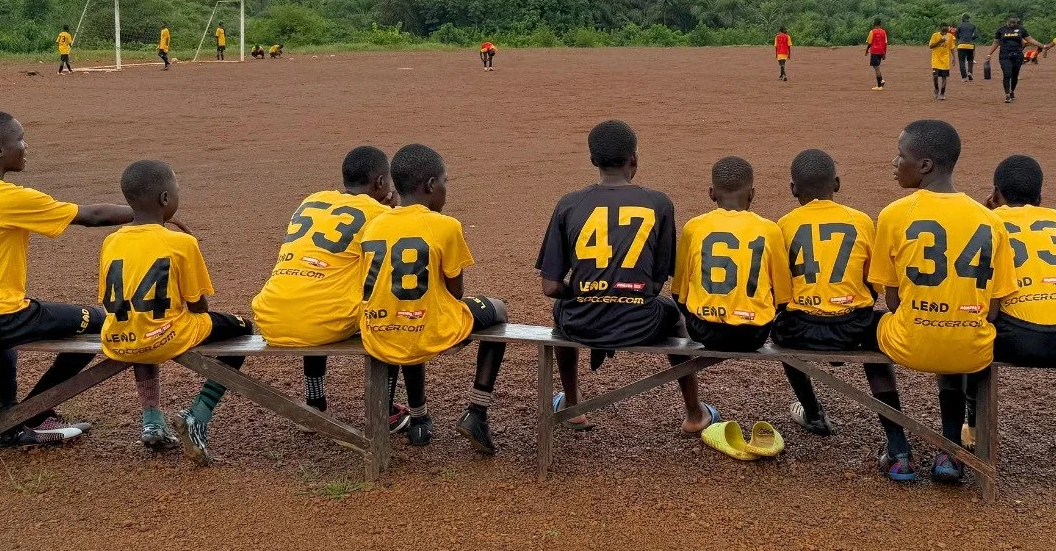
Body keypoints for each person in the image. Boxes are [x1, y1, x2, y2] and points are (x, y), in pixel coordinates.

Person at [0, 111, 133, 447]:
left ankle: (11, 420)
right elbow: (91, 216)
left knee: (6, 315)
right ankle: (32, 413)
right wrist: (151, 213)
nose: (25, 146)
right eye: (19, 139)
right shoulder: (7, 196)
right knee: (99, 321)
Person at [536, 120, 715, 434]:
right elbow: (658, 281)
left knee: (560, 314)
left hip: (583, 323)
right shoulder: (658, 203)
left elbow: (551, 287)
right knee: (673, 316)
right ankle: (693, 412)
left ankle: (573, 404)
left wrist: (588, 292)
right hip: (641, 322)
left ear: (593, 160)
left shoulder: (569, 204)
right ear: (634, 158)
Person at [870, 120, 1017, 483]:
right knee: (957, 329)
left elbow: (892, 302)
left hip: (910, 343)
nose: (894, 162)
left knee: (866, 331)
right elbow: (995, 307)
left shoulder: (893, 214)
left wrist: (926, 312)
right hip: (971, 348)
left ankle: (898, 449)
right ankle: (949, 452)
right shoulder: (990, 220)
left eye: (901, 155)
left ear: (925, 166)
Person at [98, 160, 253, 464]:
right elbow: (198, 307)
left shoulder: (111, 240)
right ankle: (199, 414)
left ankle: (152, 418)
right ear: (165, 200)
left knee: (138, 320)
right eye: (177, 190)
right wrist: (190, 243)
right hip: (165, 337)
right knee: (243, 328)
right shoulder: (181, 242)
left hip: (118, 338)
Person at [773, 149, 914, 478]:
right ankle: (898, 447)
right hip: (852, 325)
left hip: (801, 328)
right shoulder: (861, 220)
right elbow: (872, 283)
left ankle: (813, 413)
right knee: (878, 340)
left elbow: (781, 290)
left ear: (793, 189)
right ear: (836, 183)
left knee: (779, 329)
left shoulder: (783, 225)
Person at [359, 144, 509, 454]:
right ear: (430, 185)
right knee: (498, 309)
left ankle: (419, 419)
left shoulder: (373, 224)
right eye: (445, 182)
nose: (445, 190)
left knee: (411, 314)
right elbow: (456, 293)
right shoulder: (446, 225)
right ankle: (477, 413)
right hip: (426, 329)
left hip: (379, 331)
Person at [251, 146, 407, 431]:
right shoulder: (380, 214)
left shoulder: (312, 200)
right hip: (321, 322)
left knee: (317, 287)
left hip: (270, 317)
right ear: (381, 183)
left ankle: (314, 402)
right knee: (387, 311)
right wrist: (391, 211)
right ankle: (384, 410)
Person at [965, 155, 1056, 469]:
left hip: (1019, 338)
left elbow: (982, 292)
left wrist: (988, 212)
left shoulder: (985, 221)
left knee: (972, 330)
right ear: (1040, 197)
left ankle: (973, 429)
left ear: (995, 193)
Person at [672, 156, 790, 355]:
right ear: (752, 194)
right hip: (753, 334)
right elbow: (782, 298)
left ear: (711, 194)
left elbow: (678, 294)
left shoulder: (693, 228)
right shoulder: (770, 230)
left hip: (703, 330)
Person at [984, 16, 1047, 103]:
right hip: (1004, 55)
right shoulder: (1001, 30)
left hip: (1017, 55)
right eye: (1010, 23)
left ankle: (1012, 91)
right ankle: (1007, 95)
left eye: (1014, 23)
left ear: (1016, 23)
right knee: (1007, 74)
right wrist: (989, 53)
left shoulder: (1021, 29)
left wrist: (1043, 46)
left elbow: (1030, 39)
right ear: (1007, 22)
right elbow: (996, 42)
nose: (1012, 25)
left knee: (1014, 75)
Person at [929, 22, 954, 100]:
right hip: (936, 60)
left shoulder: (950, 37)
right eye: (943, 31)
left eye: (946, 31)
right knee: (935, 76)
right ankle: (936, 89)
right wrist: (940, 41)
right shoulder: (935, 35)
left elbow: (952, 48)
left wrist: (954, 57)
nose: (945, 33)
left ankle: (942, 93)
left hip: (945, 61)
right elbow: (931, 46)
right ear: (940, 29)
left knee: (944, 77)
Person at [865, 19, 889, 91]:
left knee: (876, 68)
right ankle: (881, 81)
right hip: (881, 51)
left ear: (874, 24)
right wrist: (884, 53)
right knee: (877, 67)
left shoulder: (872, 32)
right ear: (880, 24)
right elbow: (885, 43)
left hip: (875, 51)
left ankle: (879, 85)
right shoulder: (884, 32)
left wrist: (867, 50)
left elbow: (869, 43)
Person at [955, 15, 979, 81]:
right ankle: (970, 72)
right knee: (970, 60)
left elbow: (956, 35)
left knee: (961, 61)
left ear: (962, 19)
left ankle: (964, 77)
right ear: (968, 19)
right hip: (970, 45)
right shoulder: (973, 25)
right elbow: (976, 35)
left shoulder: (959, 25)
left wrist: (960, 39)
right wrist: (971, 38)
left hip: (961, 45)